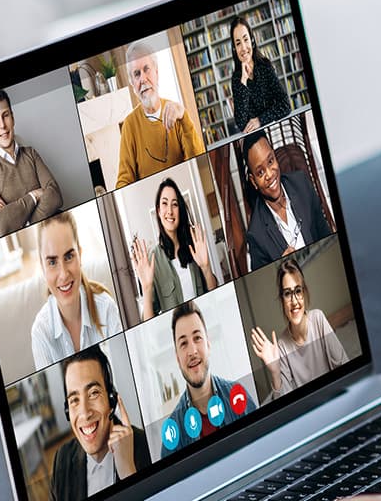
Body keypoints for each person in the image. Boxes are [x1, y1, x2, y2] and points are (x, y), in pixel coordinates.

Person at [48, 346, 148, 501]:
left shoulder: (145, 445)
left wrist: (129, 472)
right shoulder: (62, 460)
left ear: (111, 400)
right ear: (68, 411)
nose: (85, 413)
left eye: (93, 393)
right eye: (74, 400)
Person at [29, 211, 124, 373]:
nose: (64, 274)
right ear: (42, 267)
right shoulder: (41, 332)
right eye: (52, 262)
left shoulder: (106, 308)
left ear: (80, 254)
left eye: (68, 256)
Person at [248, 259, 349, 400]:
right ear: (282, 300)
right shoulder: (281, 346)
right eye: (288, 294)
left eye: (298, 291)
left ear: (304, 292)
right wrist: (276, 372)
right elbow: (285, 402)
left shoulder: (318, 318)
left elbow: (343, 365)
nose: (294, 301)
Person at [114, 41, 205, 188]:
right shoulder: (129, 126)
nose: (143, 79)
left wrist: (184, 118)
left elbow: (198, 159)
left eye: (146, 69)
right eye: (137, 74)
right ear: (132, 84)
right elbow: (124, 182)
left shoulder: (177, 114)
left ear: (156, 72)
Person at [162, 301, 249, 453]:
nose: (192, 351)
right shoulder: (173, 428)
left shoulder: (237, 394)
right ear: (177, 358)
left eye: (197, 338)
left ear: (208, 344)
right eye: (183, 343)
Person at [0, 90, 64, 240]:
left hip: (56, 229)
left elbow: (55, 196)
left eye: (5, 115)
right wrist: (34, 195)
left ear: (12, 117)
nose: (3, 125)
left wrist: (20, 221)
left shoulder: (31, 153)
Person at [240, 131, 332, 271]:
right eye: (260, 172)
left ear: (276, 158)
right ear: (254, 182)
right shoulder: (256, 235)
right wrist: (281, 267)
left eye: (270, 161)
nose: (270, 174)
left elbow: (326, 235)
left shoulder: (302, 184)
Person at [127, 178, 219, 320]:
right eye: (164, 203)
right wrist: (146, 288)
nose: (169, 211)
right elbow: (149, 324)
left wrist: (206, 268)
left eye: (174, 204)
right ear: (158, 211)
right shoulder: (153, 261)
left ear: (180, 210)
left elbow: (214, 296)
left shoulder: (194, 247)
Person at [227, 16, 292, 136]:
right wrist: (244, 82)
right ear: (234, 49)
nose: (243, 48)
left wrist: (260, 120)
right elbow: (241, 124)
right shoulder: (237, 80)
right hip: (257, 138)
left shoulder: (265, 66)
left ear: (252, 40)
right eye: (238, 43)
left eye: (246, 40)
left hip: (277, 129)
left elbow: (285, 105)